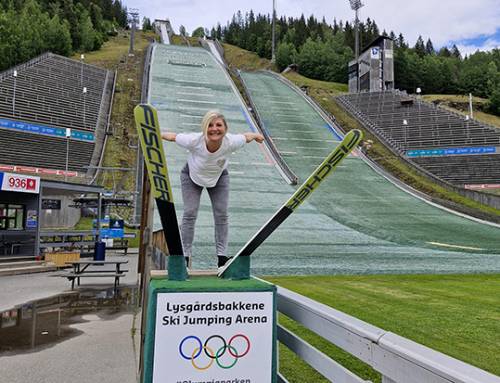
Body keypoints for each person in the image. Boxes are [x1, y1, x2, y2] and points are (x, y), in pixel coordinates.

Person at [161, 110, 264, 269]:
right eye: (210, 125)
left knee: (222, 214)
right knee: (190, 213)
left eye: (219, 125)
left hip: (219, 178)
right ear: (204, 128)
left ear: (225, 129)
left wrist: (257, 135)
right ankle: (185, 258)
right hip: (191, 177)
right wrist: (154, 133)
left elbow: (246, 137)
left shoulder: (231, 142)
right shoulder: (194, 140)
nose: (214, 129)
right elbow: (173, 136)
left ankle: (222, 259)